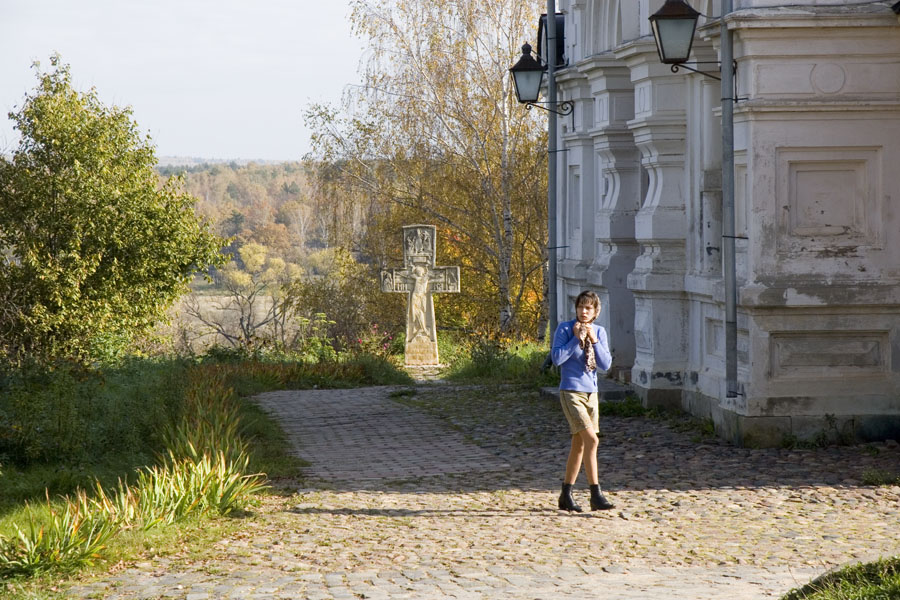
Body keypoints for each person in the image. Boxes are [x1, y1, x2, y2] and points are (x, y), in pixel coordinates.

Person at [551, 290, 615, 512]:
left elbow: (606, 365)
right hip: (571, 391)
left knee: (579, 445)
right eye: (581, 307)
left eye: (589, 308)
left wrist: (594, 341)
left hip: (591, 393)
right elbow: (557, 358)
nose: (584, 311)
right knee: (592, 441)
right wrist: (575, 339)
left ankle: (566, 494)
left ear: (596, 311)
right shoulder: (566, 329)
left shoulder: (600, 331)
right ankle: (595, 493)